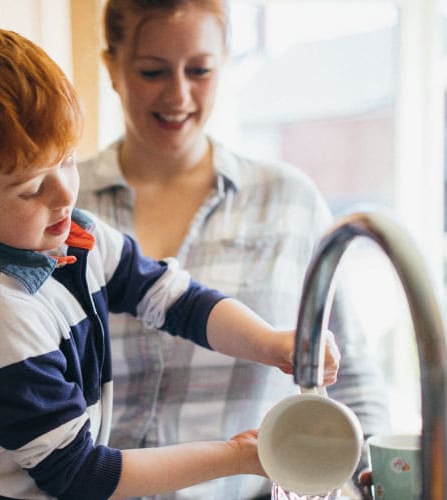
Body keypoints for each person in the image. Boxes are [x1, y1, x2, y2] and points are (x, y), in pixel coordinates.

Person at [0, 10, 341, 500]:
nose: (64, 194)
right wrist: (239, 456)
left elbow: (175, 300)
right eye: (32, 186)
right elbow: (82, 475)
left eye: (66, 160)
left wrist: (270, 342)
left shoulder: (73, 235)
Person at [76, 1, 392, 498]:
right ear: (112, 67)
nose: (178, 94)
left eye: (199, 70)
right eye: (152, 70)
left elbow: (350, 380)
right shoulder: (61, 206)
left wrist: (371, 480)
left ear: (225, 63)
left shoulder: (288, 202)